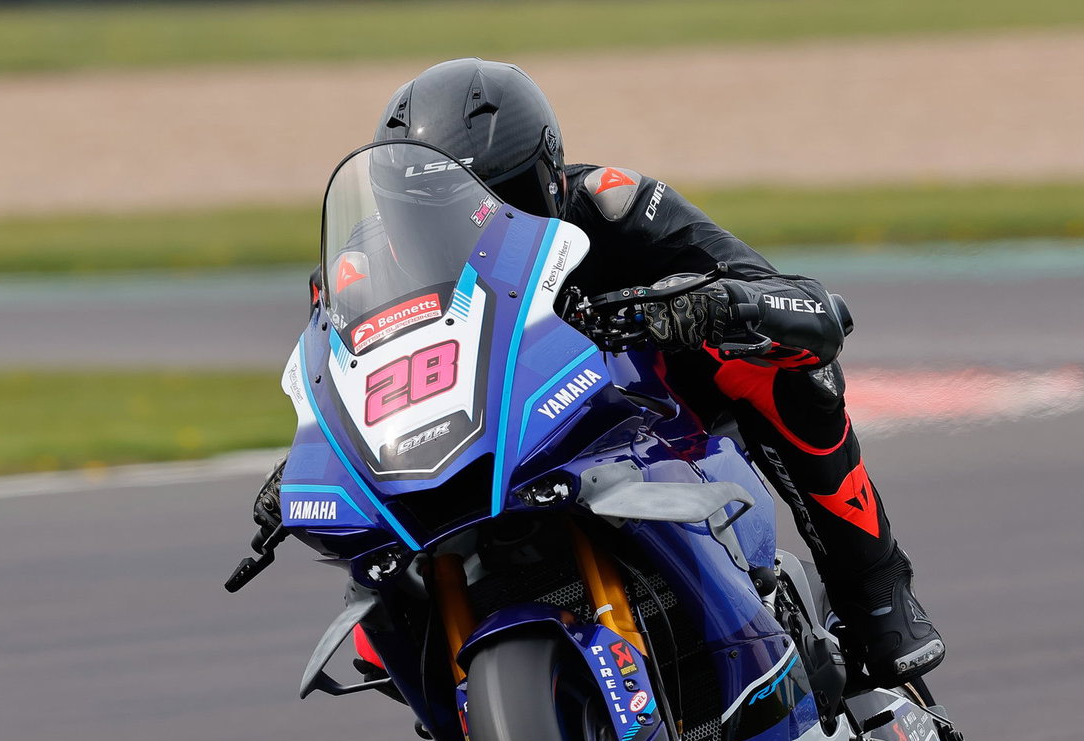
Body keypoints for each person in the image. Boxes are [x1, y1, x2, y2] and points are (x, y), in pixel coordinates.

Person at [252, 58, 943, 684]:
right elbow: (337, 375)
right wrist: (314, 453)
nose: (478, 224)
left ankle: (874, 586)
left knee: (784, 369)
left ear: (551, 175)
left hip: (634, 411)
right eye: (433, 214)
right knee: (373, 609)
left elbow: (807, 308)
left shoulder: (615, 204)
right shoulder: (356, 271)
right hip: (480, 438)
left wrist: (712, 305)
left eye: (502, 197)